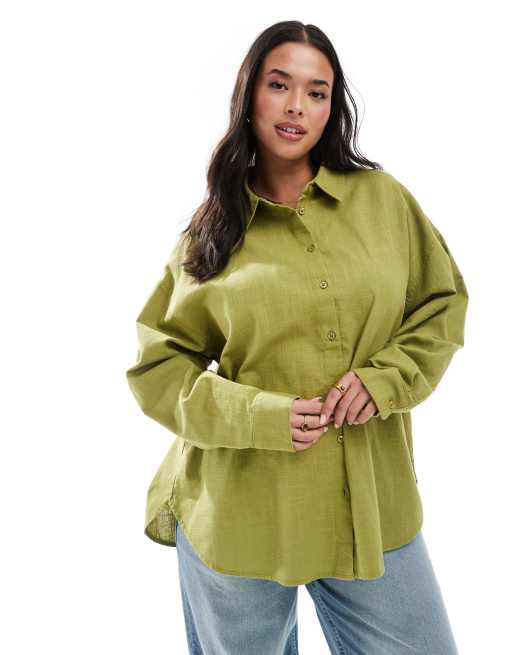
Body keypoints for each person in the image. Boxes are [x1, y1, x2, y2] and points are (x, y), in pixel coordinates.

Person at [125, 20, 468, 655]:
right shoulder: (213, 231)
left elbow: (441, 303)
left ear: (333, 107)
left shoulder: (383, 201)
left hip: (371, 506)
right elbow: (158, 368)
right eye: (279, 85)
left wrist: (386, 379)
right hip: (240, 516)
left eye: (317, 92)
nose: (296, 107)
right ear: (249, 95)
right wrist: (259, 415)